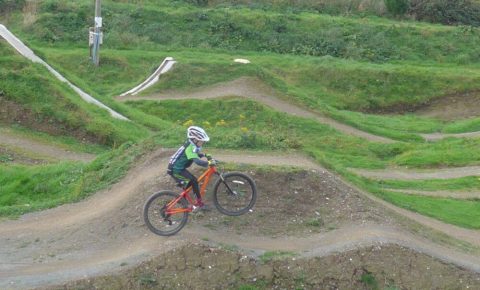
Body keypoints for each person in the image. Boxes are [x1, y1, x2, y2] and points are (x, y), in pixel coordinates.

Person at [167, 126, 215, 210]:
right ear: (195, 140)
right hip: (175, 170)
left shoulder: (191, 144)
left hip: (178, 168)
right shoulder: (190, 147)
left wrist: (205, 155)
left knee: (191, 183)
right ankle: (199, 204)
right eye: (202, 141)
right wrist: (208, 163)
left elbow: (196, 153)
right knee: (193, 181)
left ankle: (183, 200)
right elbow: (197, 161)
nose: (203, 143)